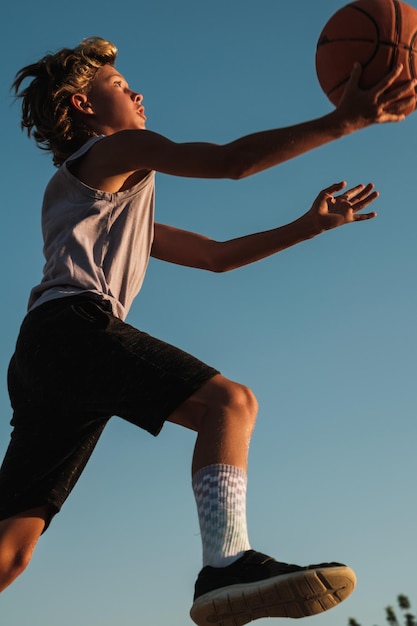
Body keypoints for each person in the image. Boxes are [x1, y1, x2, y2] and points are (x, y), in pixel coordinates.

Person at [0, 37, 415, 626]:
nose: (136, 92)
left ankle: (227, 565)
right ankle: (226, 564)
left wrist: (308, 226)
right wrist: (341, 122)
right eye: (118, 86)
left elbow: (215, 257)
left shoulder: (103, 196)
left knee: (10, 552)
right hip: (71, 328)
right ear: (82, 104)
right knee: (231, 402)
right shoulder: (115, 151)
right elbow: (228, 164)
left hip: (45, 354)